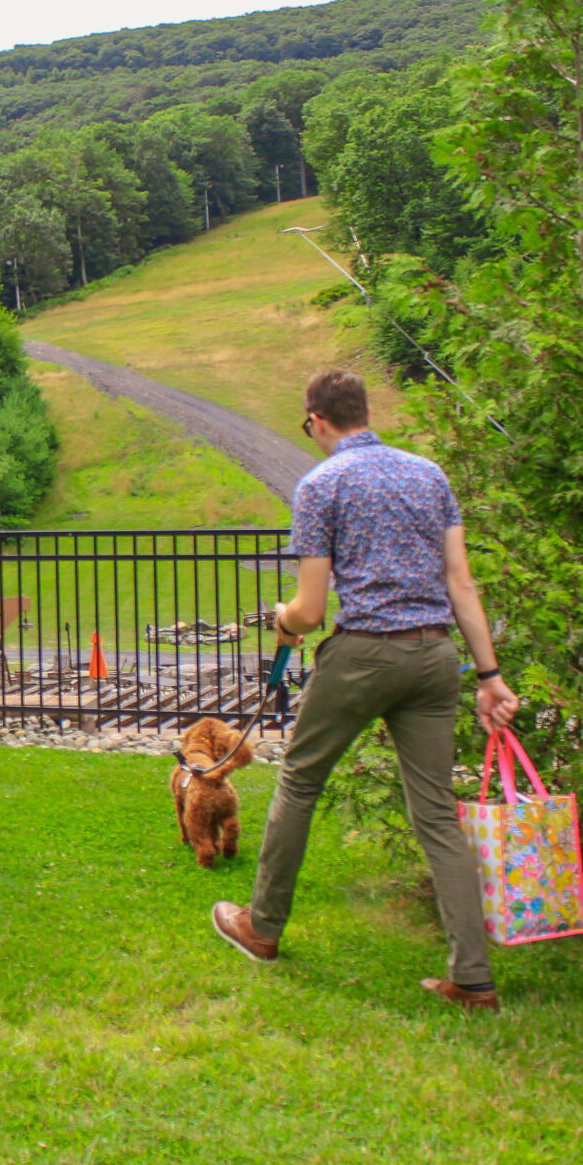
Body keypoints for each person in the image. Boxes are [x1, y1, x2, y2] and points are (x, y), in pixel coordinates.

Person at [210, 369, 521, 1012]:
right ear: (365, 413)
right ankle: (474, 977)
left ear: (317, 421)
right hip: (436, 657)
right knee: (436, 812)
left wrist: (282, 619)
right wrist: (490, 678)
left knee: (300, 779)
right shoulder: (428, 476)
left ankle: (261, 928)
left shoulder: (321, 484)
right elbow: (462, 585)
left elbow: (312, 608)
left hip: (364, 656)